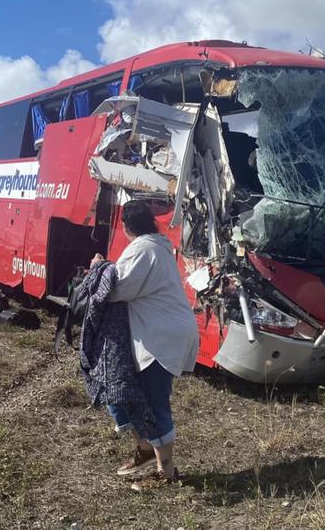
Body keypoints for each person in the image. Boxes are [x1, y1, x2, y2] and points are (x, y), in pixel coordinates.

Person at [90, 199, 199, 491]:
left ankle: (167, 473)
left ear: (125, 226)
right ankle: (146, 450)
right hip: (169, 331)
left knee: (153, 402)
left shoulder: (142, 249)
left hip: (162, 337)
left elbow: (117, 290)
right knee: (135, 394)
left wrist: (99, 269)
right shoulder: (157, 246)